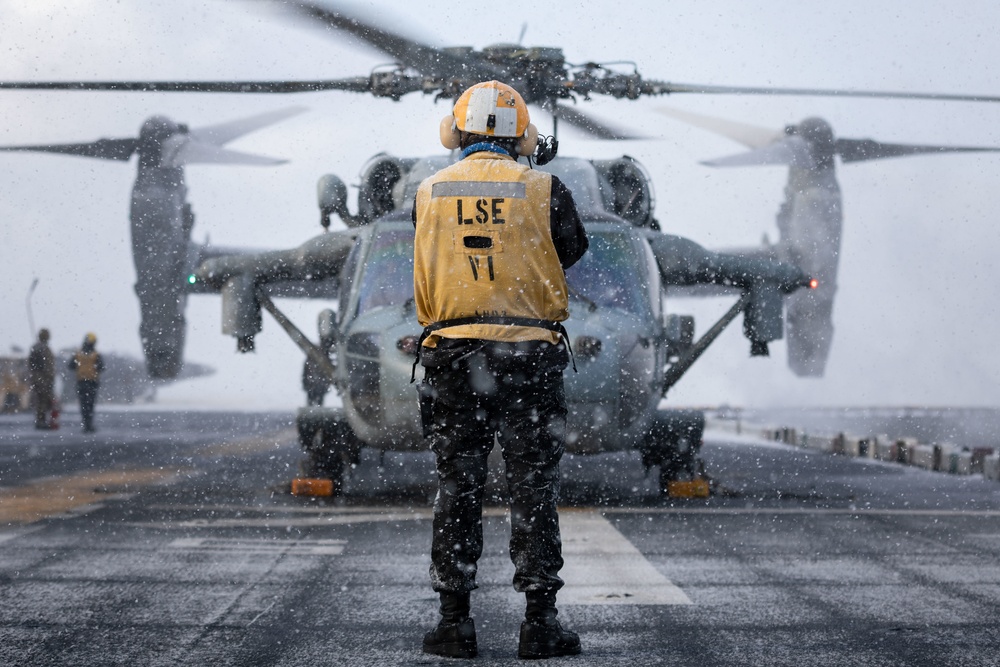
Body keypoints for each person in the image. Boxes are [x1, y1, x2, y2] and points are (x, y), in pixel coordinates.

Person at [412, 80, 589, 660]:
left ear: (455, 132)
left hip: (453, 355)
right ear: (523, 135)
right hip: (527, 358)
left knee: (458, 486)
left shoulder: (428, 192)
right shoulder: (546, 189)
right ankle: (539, 622)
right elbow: (571, 251)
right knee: (533, 485)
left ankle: (454, 622)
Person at [68, 332, 104, 433]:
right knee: (90, 404)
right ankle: (89, 424)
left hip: (81, 383)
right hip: (92, 383)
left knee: (83, 404)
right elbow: (101, 367)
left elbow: (70, 366)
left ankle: (86, 424)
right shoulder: (96, 355)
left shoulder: (78, 354)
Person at [27, 328, 56, 429]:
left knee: (40, 400)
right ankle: (41, 421)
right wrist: (50, 377)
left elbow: (30, 364)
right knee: (43, 400)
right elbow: (48, 366)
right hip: (43, 379)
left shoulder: (35, 348)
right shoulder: (45, 349)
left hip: (36, 378)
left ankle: (40, 420)